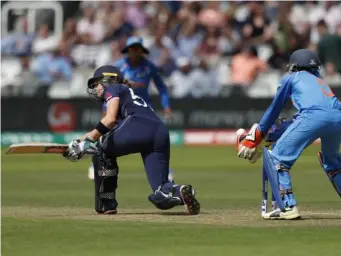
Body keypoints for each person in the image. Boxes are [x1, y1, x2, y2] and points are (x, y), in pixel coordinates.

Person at [63, 65, 200, 215]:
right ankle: (180, 191)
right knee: (160, 193)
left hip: (137, 126)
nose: (95, 89)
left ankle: (106, 204)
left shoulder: (113, 88)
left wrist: (87, 142)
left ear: (109, 79)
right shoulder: (131, 94)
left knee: (100, 150)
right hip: (160, 132)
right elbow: (111, 127)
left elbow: (109, 120)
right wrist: (79, 141)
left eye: (97, 83)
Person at [237, 49, 341, 220]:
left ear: (295, 66)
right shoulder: (320, 81)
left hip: (312, 116)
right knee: (333, 162)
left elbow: (274, 110)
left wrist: (255, 137)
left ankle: (288, 206)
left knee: (278, 158)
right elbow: (318, 114)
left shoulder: (292, 78)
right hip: (338, 117)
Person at [88, 36, 175, 181]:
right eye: (131, 49)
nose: (134, 52)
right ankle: (95, 166)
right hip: (120, 107)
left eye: (137, 49)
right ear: (127, 50)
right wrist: (107, 108)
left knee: (153, 139)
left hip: (143, 107)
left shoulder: (149, 67)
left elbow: (162, 87)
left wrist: (166, 106)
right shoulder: (119, 67)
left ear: (141, 51)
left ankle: (164, 171)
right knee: (106, 134)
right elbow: (110, 89)